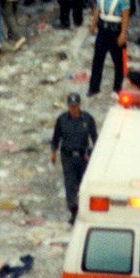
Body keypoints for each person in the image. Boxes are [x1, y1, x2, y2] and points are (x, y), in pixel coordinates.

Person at [51, 92, 98, 223]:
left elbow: (95, 138)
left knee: (83, 184)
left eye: (75, 106)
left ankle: (84, 209)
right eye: (71, 106)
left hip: (83, 156)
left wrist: (95, 154)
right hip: (68, 156)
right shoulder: (62, 120)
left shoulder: (87, 119)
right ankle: (74, 211)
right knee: (70, 184)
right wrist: (53, 152)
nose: (73, 108)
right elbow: (56, 138)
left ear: (79, 105)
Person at [87, 0, 130, 96]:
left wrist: (123, 33)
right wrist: (93, 25)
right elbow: (97, 9)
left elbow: (125, 16)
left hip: (115, 31)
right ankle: (94, 88)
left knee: (119, 63)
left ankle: (118, 89)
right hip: (103, 30)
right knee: (97, 60)